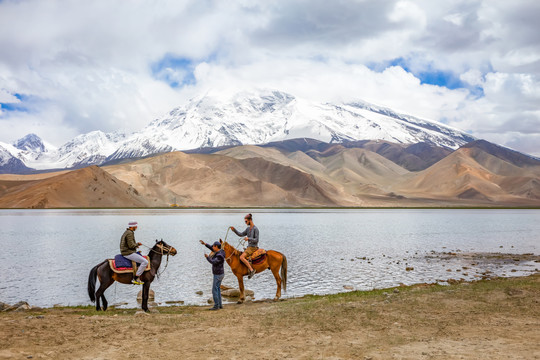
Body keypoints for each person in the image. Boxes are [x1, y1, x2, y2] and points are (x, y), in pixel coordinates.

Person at [230, 213, 259, 279]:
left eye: (246, 221)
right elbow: (241, 234)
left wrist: (248, 238)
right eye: (245, 221)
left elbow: (256, 240)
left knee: (241, 257)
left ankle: (252, 270)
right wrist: (234, 230)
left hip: (253, 247)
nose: (245, 223)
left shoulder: (255, 229)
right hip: (249, 247)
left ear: (250, 220)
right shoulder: (248, 229)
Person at [120, 221, 148, 285]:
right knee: (145, 262)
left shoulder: (127, 232)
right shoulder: (130, 233)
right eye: (136, 226)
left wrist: (136, 245)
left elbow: (130, 244)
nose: (136, 227)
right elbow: (131, 245)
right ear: (133, 226)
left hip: (126, 251)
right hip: (128, 253)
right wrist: (137, 244)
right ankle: (136, 278)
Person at [200, 240, 225, 310]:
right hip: (221, 274)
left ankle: (216, 306)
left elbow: (213, 262)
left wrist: (207, 257)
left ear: (216, 247)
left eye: (213, 246)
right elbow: (211, 248)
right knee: (218, 289)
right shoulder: (221, 251)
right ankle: (220, 305)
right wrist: (205, 243)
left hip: (218, 274)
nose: (212, 247)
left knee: (214, 290)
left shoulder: (219, 255)